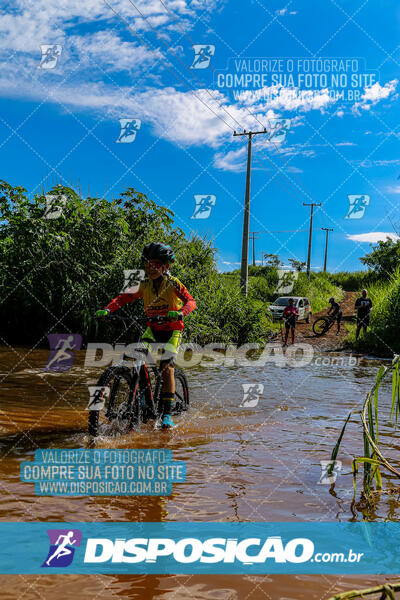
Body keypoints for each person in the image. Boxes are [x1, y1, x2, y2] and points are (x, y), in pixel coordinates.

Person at [95, 242, 196, 429]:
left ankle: (167, 413)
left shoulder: (173, 283)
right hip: (152, 328)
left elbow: (191, 301)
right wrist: (107, 310)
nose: (151, 268)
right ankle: (143, 399)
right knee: (135, 357)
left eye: (155, 264)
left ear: (166, 266)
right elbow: (123, 297)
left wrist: (181, 311)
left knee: (167, 366)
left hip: (173, 330)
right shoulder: (143, 284)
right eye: (148, 264)